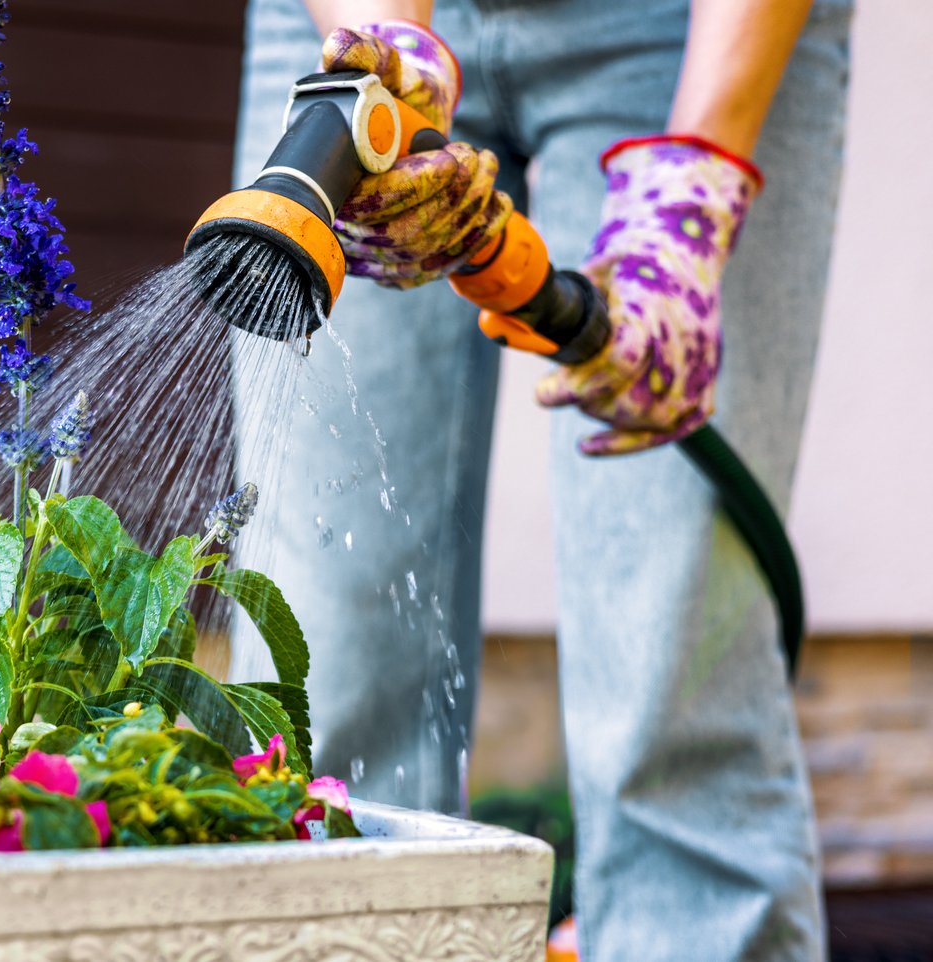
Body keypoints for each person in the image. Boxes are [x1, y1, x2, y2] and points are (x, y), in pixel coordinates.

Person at [226, 0, 850, 958]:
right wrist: (384, 53)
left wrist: (690, 197)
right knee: (320, 682)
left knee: (670, 668)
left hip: (684, 31)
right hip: (350, 29)